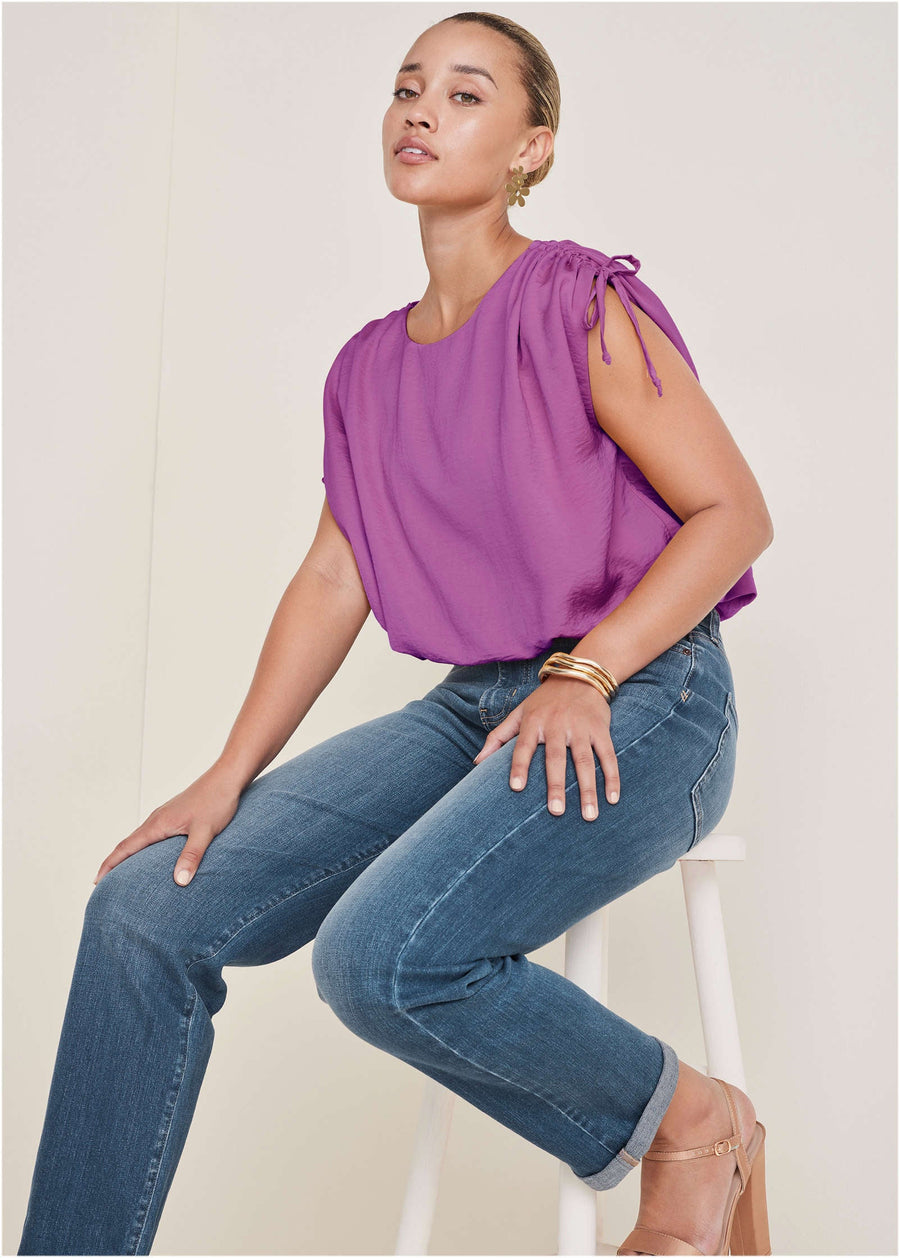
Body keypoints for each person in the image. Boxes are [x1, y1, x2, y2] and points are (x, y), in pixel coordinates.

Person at [18, 11, 775, 1256]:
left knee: (380, 956)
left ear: (533, 147)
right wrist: (227, 774)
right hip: (473, 704)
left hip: (648, 693)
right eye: (408, 86)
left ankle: (691, 1121)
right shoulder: (368, 370)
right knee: (143, 907)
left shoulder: (577, 300)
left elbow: (732, 513)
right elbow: (335, 575)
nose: (421, 108)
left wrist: (588, 667)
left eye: (466, 94)